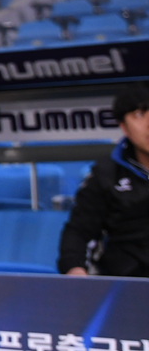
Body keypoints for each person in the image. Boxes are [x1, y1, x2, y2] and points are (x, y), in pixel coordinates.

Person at [58, 83, 149, 277]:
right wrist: (75, 269)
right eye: (139, 115)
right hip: (124, 284)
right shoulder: (105, 174)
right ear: (124, 127)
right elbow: (78, 231)